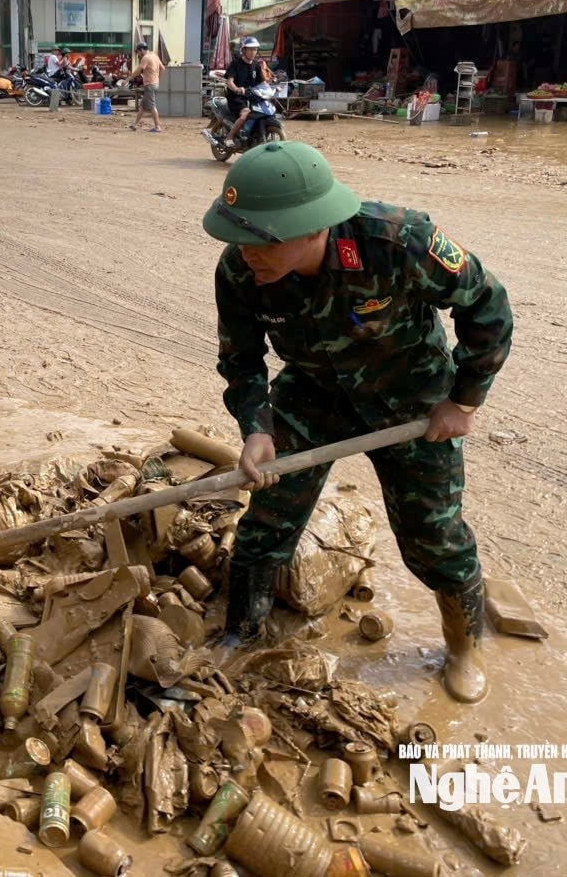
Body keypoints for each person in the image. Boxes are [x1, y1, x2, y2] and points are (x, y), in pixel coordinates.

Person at [206, 141, 513, 704]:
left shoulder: (397, 241)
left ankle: (464, 647)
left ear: (312, 228)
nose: (247, 252)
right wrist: (257, 428)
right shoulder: (240, 270)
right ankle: (241, 631)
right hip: (313, 393)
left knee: (434, 535)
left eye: (262, 239)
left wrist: (463, 401)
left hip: (411, 398)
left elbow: (487, 305)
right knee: (268, 519)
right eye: (239, 237)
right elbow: (241, 360)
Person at [222, 37, 271, 145]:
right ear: (244, 50)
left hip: (252, 96)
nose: (253, 52)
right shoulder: (236, 63)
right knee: (246, 112)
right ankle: (229, 137)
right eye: (250, 49)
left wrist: (273, 88)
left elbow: (262, 83)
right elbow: (229, 81)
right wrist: (236, 89)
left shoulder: (256, 65)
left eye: (255, 49)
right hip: (236, 97)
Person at [126, 41, 165, 133]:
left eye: (138, 52)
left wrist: (127, 79)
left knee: (152, 106)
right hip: (154, 84)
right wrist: (158, 79)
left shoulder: (146, 58)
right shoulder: (154, 56)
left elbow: (138, 71)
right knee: (143, 106)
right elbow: (162, 68)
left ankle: (157, 127)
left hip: (150, 85)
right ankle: (134, 125)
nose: (138, 54)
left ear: (141, 50)